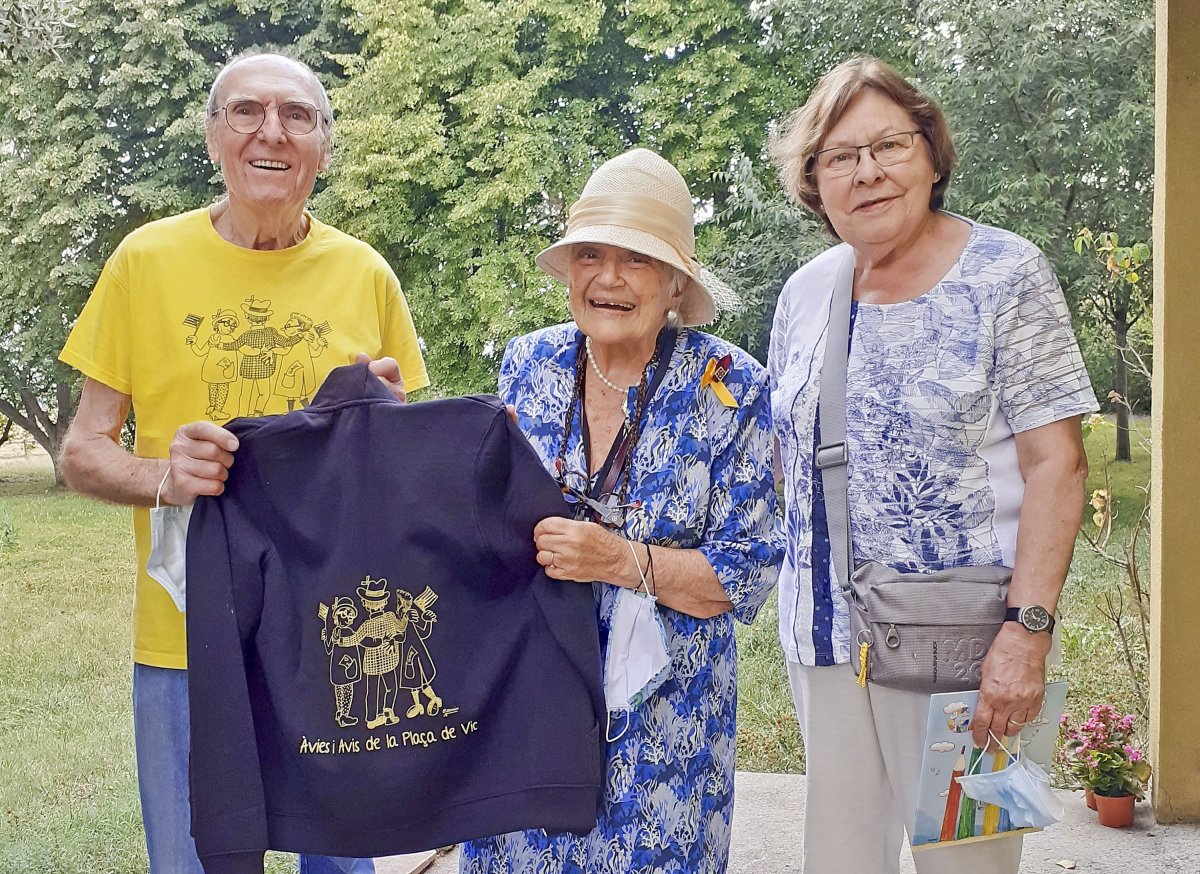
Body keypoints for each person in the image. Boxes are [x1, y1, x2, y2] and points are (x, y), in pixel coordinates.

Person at [57, 51, 429, 874]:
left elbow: (398, 474)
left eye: (297, 116)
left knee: (340, 860)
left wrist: (386, 431)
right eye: (246, 112)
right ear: (213, 137)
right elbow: (81, 450)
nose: (272, 132)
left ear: (325, 148)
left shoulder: (365, 274)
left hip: (332, 641)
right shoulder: (144, 263)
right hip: (186, 643)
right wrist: (162, 476)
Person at [767, 57, 1097, 874]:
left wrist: (1027, 638)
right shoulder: (805, 292)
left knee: (971, 863)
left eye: (890, 144)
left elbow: (1059, 464)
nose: (868, 172)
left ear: (932, 153)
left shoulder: (1006, 273)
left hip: (968, 647)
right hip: (825, 638)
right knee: (841, 863)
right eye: (840, 156)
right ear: (814, 180)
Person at [460, 148, 783, 873]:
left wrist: (620, 560)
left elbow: (747, 572)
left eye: (635, 260)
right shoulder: (529, 364)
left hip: (665, 722)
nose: (607, 278)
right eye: (590, 255)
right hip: (532, 702)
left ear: (674, 284)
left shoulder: (727, 383)